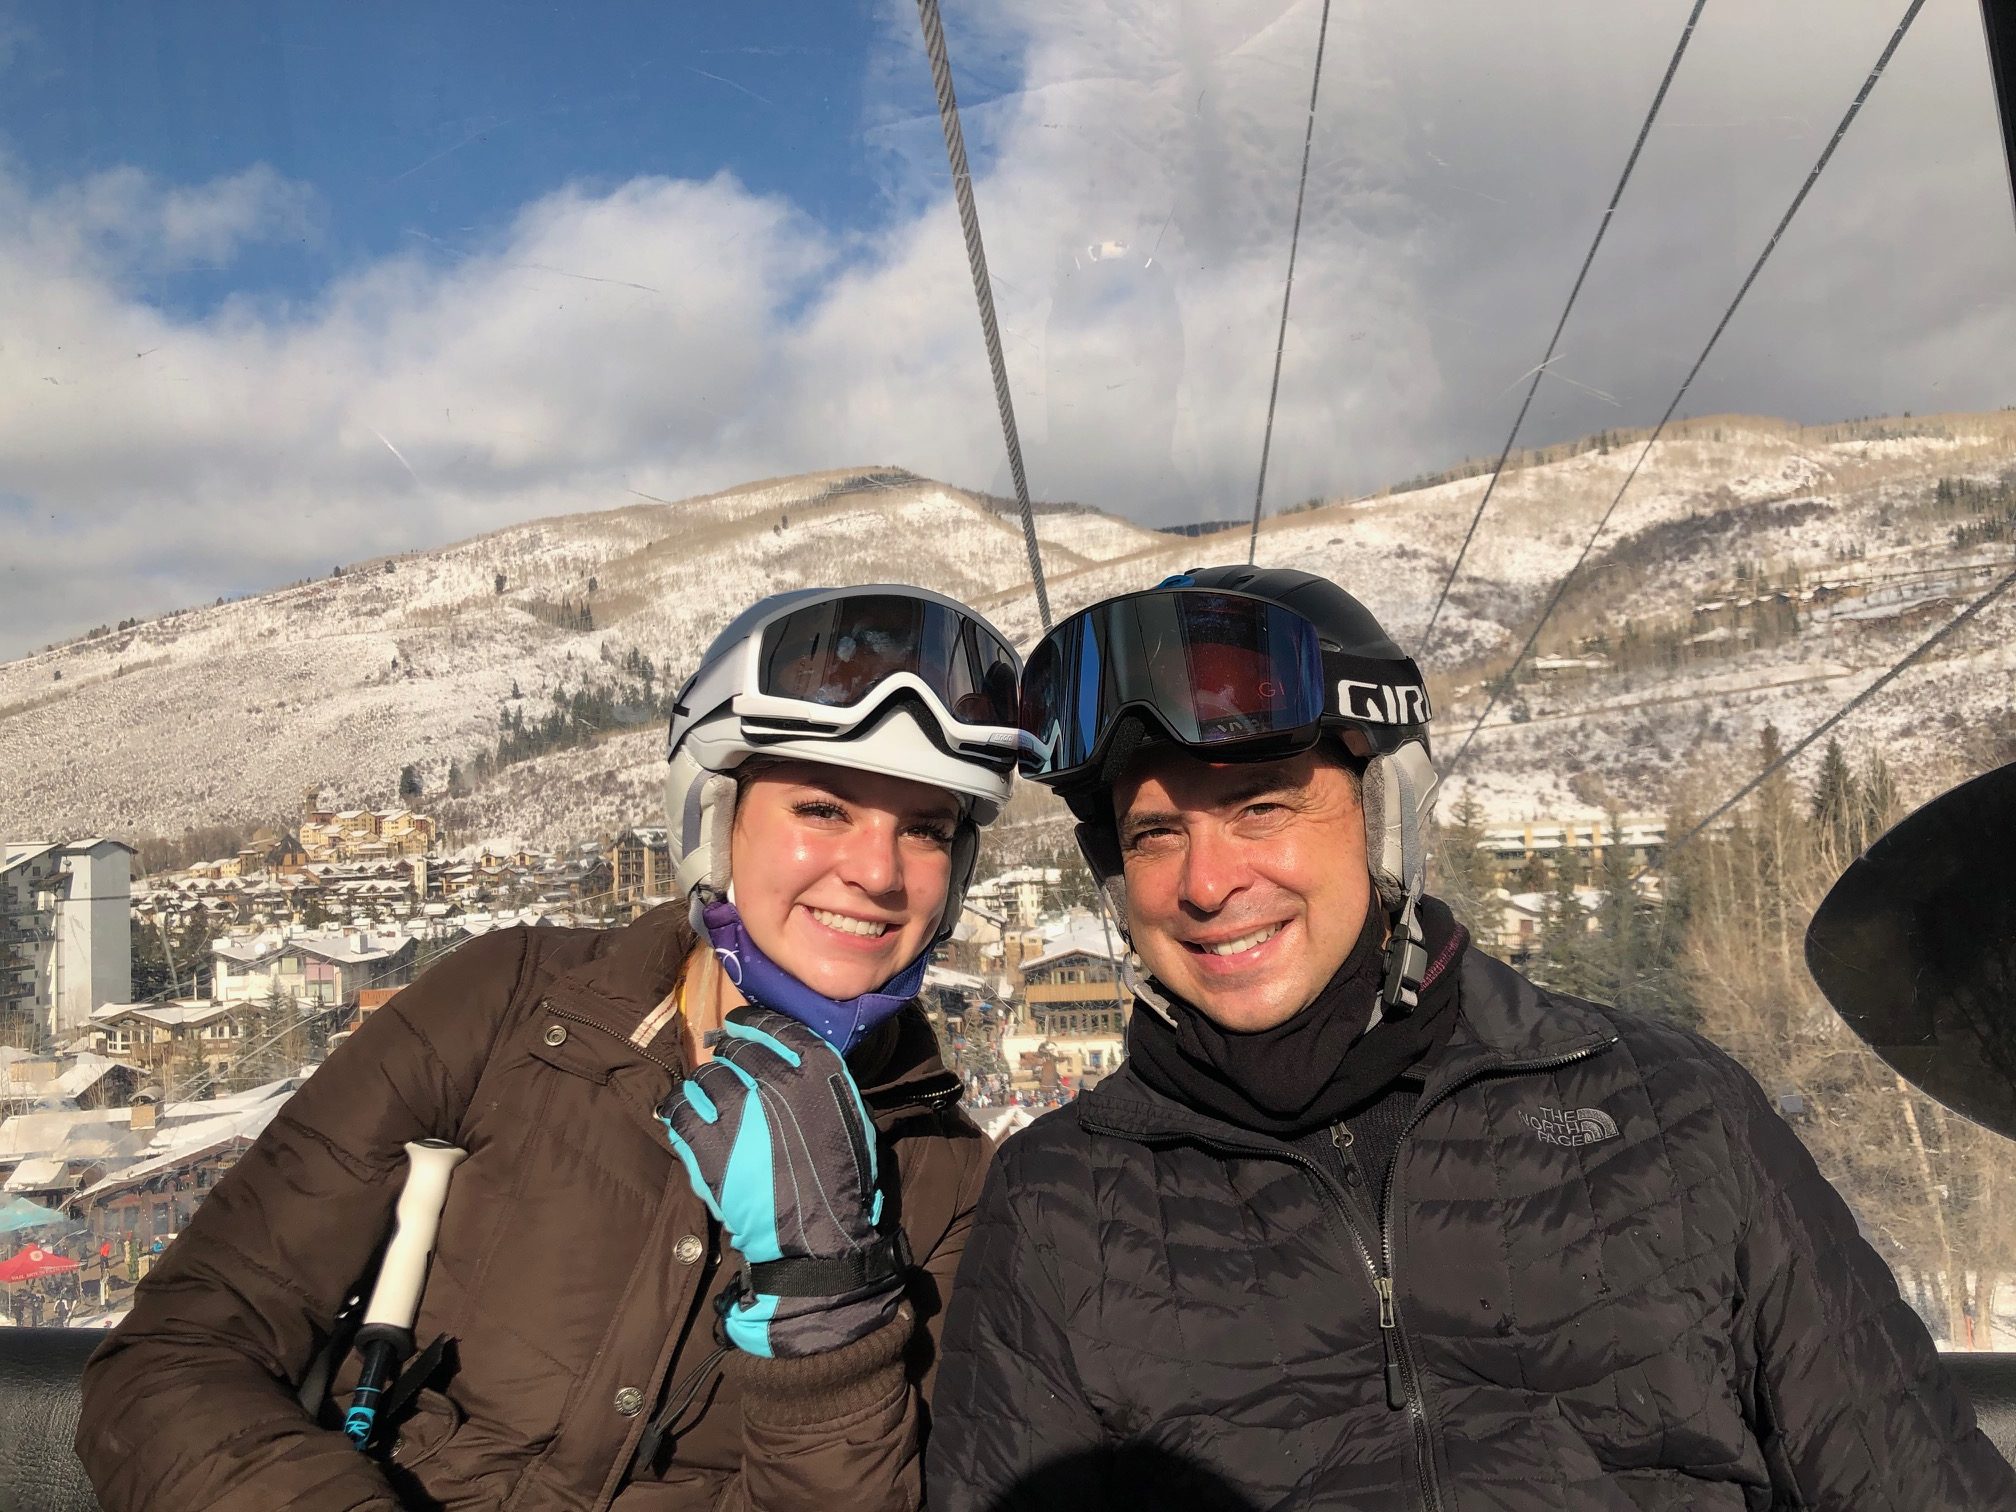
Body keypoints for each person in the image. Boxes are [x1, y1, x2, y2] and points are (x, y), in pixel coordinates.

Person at [928, 565, 2016, 1510]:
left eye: (1262, 806)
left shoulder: (1667, 1114)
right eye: (1157, 832)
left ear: (1384, 815)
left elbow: (1909, 1473)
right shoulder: (1067, 1203)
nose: (1207, 884)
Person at [79, 584, 1024, 1511]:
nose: (877, 873)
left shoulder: (945, 1179)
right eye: (822, 809)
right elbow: (179, 1357)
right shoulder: (509, 1007)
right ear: (714, 818)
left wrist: (826, 1292)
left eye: (928, 830)